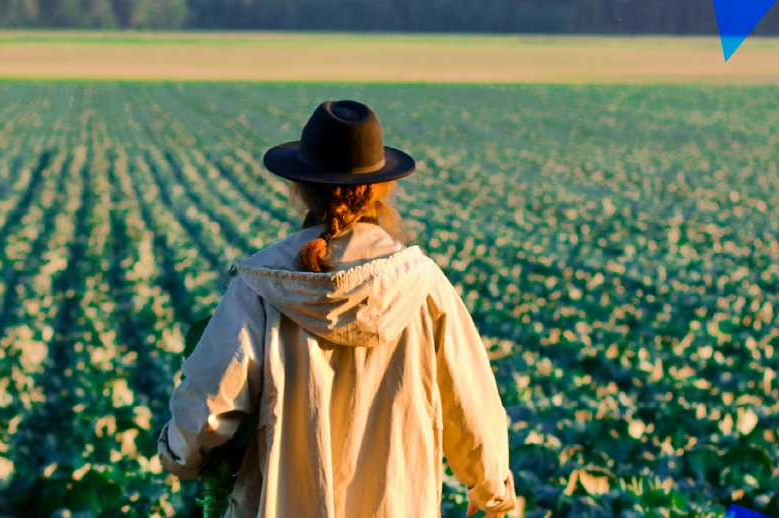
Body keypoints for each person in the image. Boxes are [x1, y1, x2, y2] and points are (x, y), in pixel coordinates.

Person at [157, 99, 518, 518]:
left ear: (299, 188)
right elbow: (471, 405)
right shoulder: (423, 285)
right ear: (382, 188)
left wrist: (180, 457)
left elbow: (209, 405)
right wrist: (492, 492)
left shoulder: (259, 285)